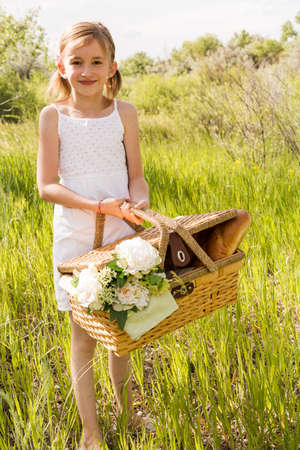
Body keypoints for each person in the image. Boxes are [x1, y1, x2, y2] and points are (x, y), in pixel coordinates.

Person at [37, 21, 150, 449]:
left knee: (122, 330)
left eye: (96, 62)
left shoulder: (125, 113)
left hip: (122, 233)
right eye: (77, 61)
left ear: (112, 67)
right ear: (61, 66)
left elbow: (136, 177)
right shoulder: (54, 117)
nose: (87, 70)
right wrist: (96, 206)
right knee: (83, 337)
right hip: (76, 235)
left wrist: (137, 202)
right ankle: (91, 431)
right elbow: (47, 185)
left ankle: (126, 412)